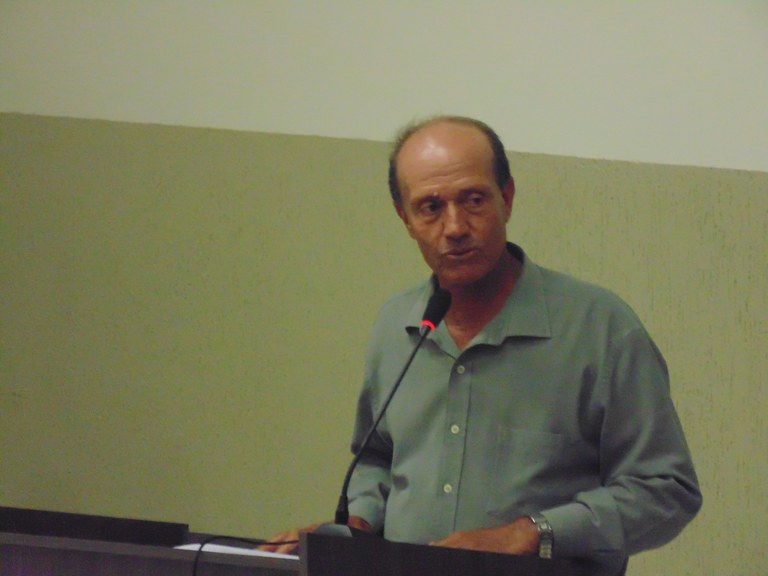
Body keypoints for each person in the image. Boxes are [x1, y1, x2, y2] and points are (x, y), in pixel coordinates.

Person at [263, 116, 702, 575]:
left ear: (506, 198)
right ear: (405, 218)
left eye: (473, 200)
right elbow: (377, 460)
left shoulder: (599, 328)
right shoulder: (397, 326)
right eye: (430, 207)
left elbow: (666, 490)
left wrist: (531, 533)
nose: (454, 226)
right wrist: (354, 526)